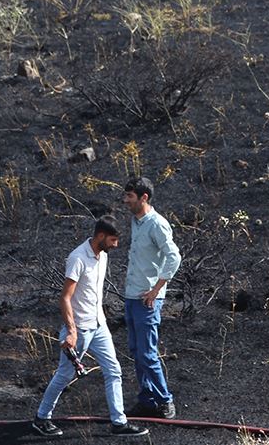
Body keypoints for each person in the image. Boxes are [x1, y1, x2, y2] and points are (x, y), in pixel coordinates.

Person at [32, 216, 148, 438]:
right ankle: (42, 417)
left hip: (99, 325)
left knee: (114, 369)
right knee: (65, 375)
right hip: (80, 328)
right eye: (113, 240)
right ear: (101, 236)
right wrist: (72, 331)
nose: (116, 245)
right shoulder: (77, 258)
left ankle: (119, 422)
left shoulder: (102, 256)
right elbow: (65, 298)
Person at [122, 176, 182, 420]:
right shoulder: (136, 221)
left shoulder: (156, 224)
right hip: (132, 296)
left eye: (129, 196)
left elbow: (174, 256)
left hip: (147, 299)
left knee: (147, 352)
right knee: (136, 351)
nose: (125, 200)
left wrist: (157, 289)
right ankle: (147, 399)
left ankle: (165, 400)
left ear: (143, 197)